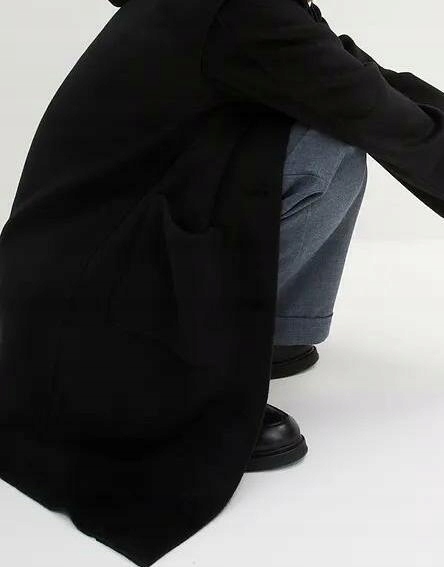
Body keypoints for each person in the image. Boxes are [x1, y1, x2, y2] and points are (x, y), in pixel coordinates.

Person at [2, 0, 444, 565]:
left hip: (81, 256)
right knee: (327, 140)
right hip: (79, 309)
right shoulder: (244, 9)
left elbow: (362, 79)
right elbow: (377, 115)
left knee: (320, 129)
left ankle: (270, 331)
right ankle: (182, 374)